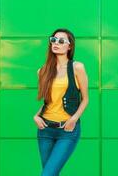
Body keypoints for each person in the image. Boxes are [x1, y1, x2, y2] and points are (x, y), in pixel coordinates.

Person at [33, 28, 89, 176]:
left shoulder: (77, 68)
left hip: (67, 131)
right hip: (45, 130)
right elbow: (49, 102)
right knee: (51, 173)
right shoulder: (43, 71)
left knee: (47, 174)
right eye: (53, 40)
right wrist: (36, 116)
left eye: (61, 41)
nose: (56, 43)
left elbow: (85, 99)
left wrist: (74, 119)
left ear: (69, 46)